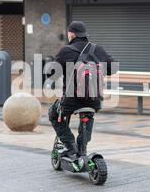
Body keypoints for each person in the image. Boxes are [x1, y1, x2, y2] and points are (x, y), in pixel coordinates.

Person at [48, 21, 115, 160]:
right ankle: (82, 148)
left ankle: (71, 146)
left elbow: (51, 74)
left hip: (71, 100)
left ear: (71, 34)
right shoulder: (98, 49)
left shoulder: (66, 51)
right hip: (94, 99)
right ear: (84, 35)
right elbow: (112, 68)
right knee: (88, 114)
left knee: (53, 113)